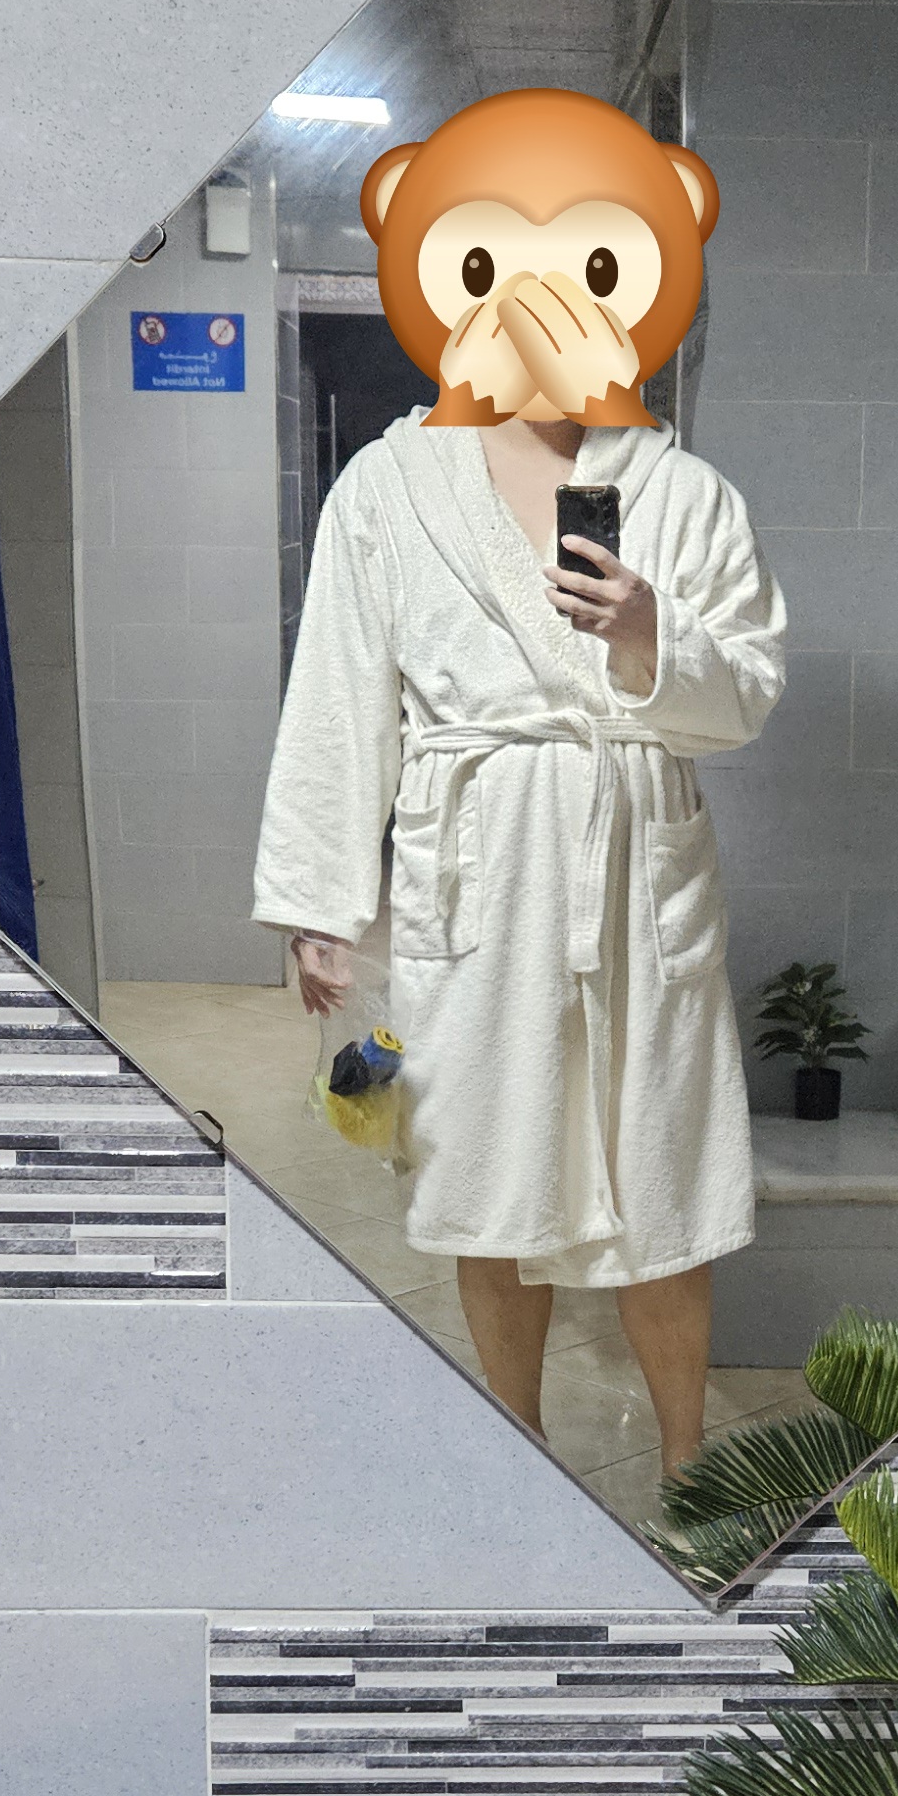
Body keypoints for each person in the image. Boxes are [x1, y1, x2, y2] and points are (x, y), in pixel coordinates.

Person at [252, 289, 784, 1482]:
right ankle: (518, 1449)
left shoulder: (687, 494)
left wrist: (649, 631)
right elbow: (339, 694)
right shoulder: (389, 488)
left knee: (661, 1176)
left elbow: (746, 693)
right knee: (485, 1167)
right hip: (476, 865)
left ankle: (689, 1465)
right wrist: (319, 900)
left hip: (633, 865)